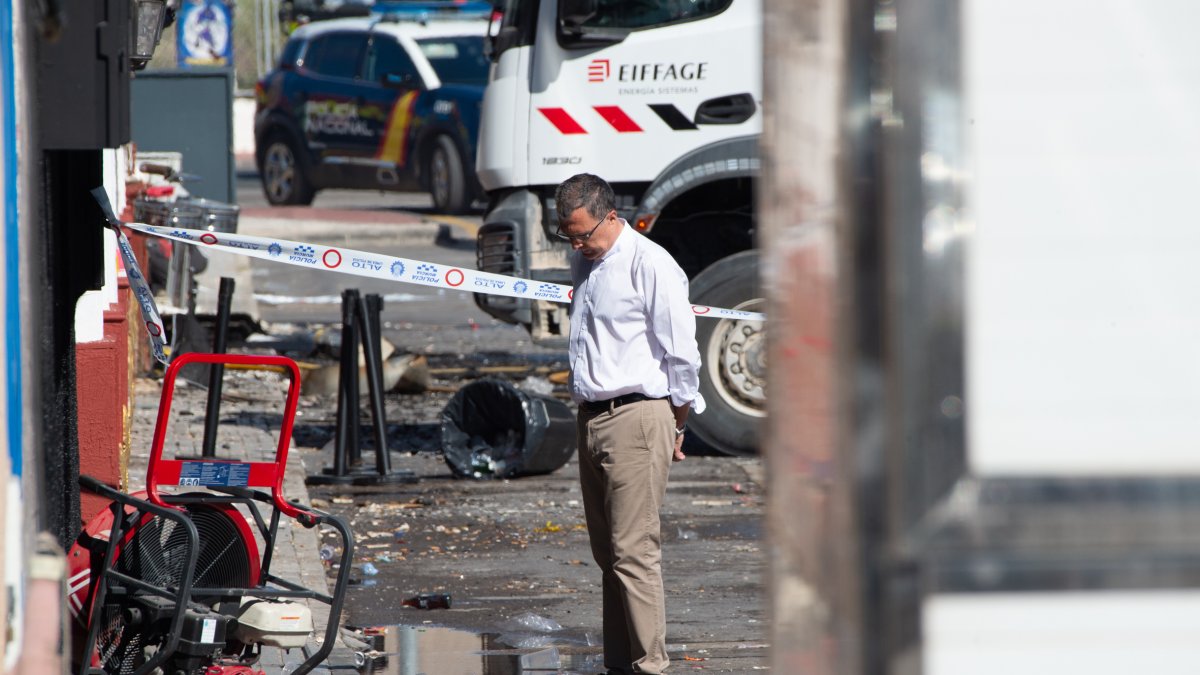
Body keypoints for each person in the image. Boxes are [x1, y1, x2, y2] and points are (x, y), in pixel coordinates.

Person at [556, 173, 704, 675]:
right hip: (593, 418)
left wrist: (676, 422)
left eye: (584, 234)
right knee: (609, 556)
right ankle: (620, 665)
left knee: (634, 552)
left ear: (611, 215)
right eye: (569, 236)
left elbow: (682, 353)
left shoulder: (651, 263)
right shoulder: (585, 260)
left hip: (639, 417)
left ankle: (651, 667)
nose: (578, 245)